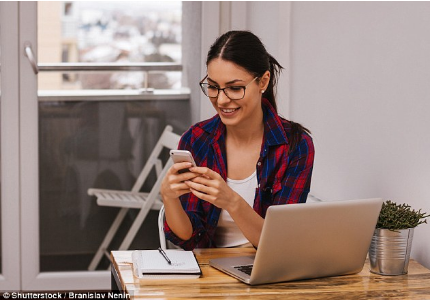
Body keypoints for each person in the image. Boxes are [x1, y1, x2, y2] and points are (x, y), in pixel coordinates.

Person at [160, 30, 315, 250]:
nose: (221, 100)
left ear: (263, 81)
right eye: (213, 87)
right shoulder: (196, 140)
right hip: (209, 273)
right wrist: (169, 197)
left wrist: (231, 201)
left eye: (234, 88)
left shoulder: (295, 146)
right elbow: (189, 238)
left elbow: (281, 244)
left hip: (268, 272)